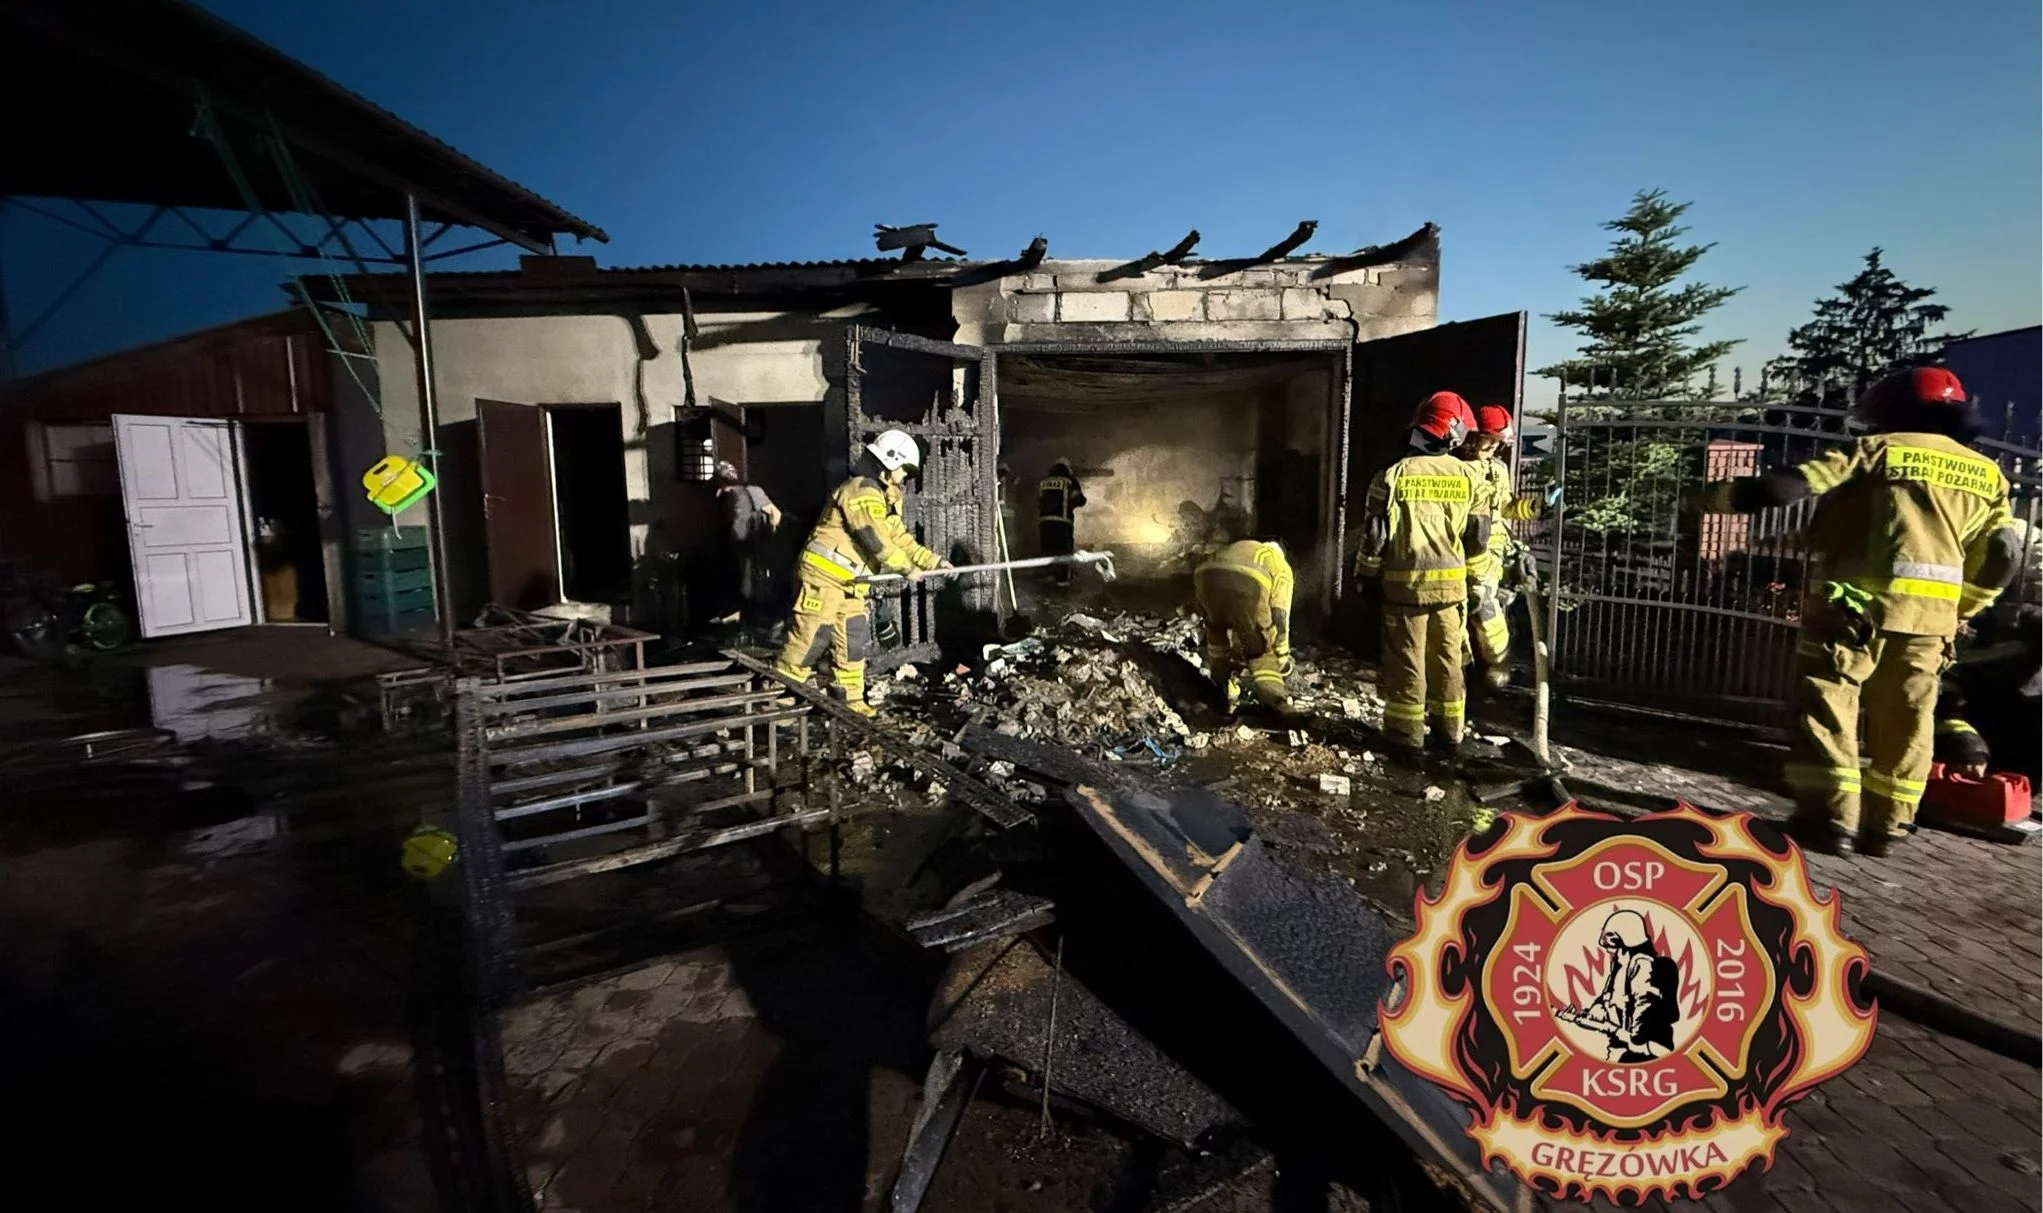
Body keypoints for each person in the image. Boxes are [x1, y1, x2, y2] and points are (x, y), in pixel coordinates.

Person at [1695, 366, 2022, 857]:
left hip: (1851, 610)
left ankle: (1830, 821)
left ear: (1887, 410)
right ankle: (1890, 825)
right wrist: (1965, 607)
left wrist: (1708, 500)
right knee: (1908, 720)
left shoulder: (1875, 450)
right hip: (1930, 622)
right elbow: (2003, 553)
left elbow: (1782, 490)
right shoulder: (1987, 474)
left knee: (1828, 707)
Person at [1356, 392, 1494, 758]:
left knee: (1407, 661)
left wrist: (1365, 576)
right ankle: (1449, 733)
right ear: (1455, 433)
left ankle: (1405, 735)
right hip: (1451, 592)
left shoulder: (1391, 476)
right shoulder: (1471, 478)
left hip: (1405, 591)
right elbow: (1479, 538)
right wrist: (1477, 585)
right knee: (1448, 659)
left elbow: (1375, 538)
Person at [773, 429, 948, 716]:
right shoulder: (862, 491)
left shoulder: (883, 497)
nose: (905, 477)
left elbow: (899, 538)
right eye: (904, 470)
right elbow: (872, 537)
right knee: (812, 637)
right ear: (891, 461)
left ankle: (850, 700)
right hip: (824, 577)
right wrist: (906, 568)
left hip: (852, 583)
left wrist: (934, 562)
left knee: (853, 641)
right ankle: (780, 699)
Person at [1457, 406, 1555, 688]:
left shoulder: (1498, 469)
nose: (1494, 446)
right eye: (1489, 439)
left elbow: (1507, 506)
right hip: (1467, 556)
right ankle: (1474, 672)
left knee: (1489, 610)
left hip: (1496, 556)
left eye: (1499, 441)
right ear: (1473, 436)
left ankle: (1493, 668)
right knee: (1475, 611)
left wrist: (1538, 506)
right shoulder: (1456, 470)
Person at [1195, 538, 1296, 714]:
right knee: (1260, 646)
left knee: (1217, 632)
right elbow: (1280, 614)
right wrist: (1281, 654)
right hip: (1246, 581)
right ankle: (1277, 705)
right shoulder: (1280, 565)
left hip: (1204, 575)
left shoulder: (1244, 548)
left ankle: (1220, 692)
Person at [715, 460, 782, 627]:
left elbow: (775, 513)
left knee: (750, 582)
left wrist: (769, 535)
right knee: (742, 581)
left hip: (750, 544)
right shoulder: (726, 495)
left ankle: (755, 619)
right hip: (739, 545)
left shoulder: (749, 492)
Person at [1037, 459, 1086, 586]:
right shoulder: (1069, 481)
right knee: (1063, 552)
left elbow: (1039, 500)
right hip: (1062, 522)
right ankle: (1062, 580)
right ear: (1067, 468)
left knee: (1048, 549)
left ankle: (1047, 576)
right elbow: (1080, 500)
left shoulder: (1043, 482)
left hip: (1044, 522)